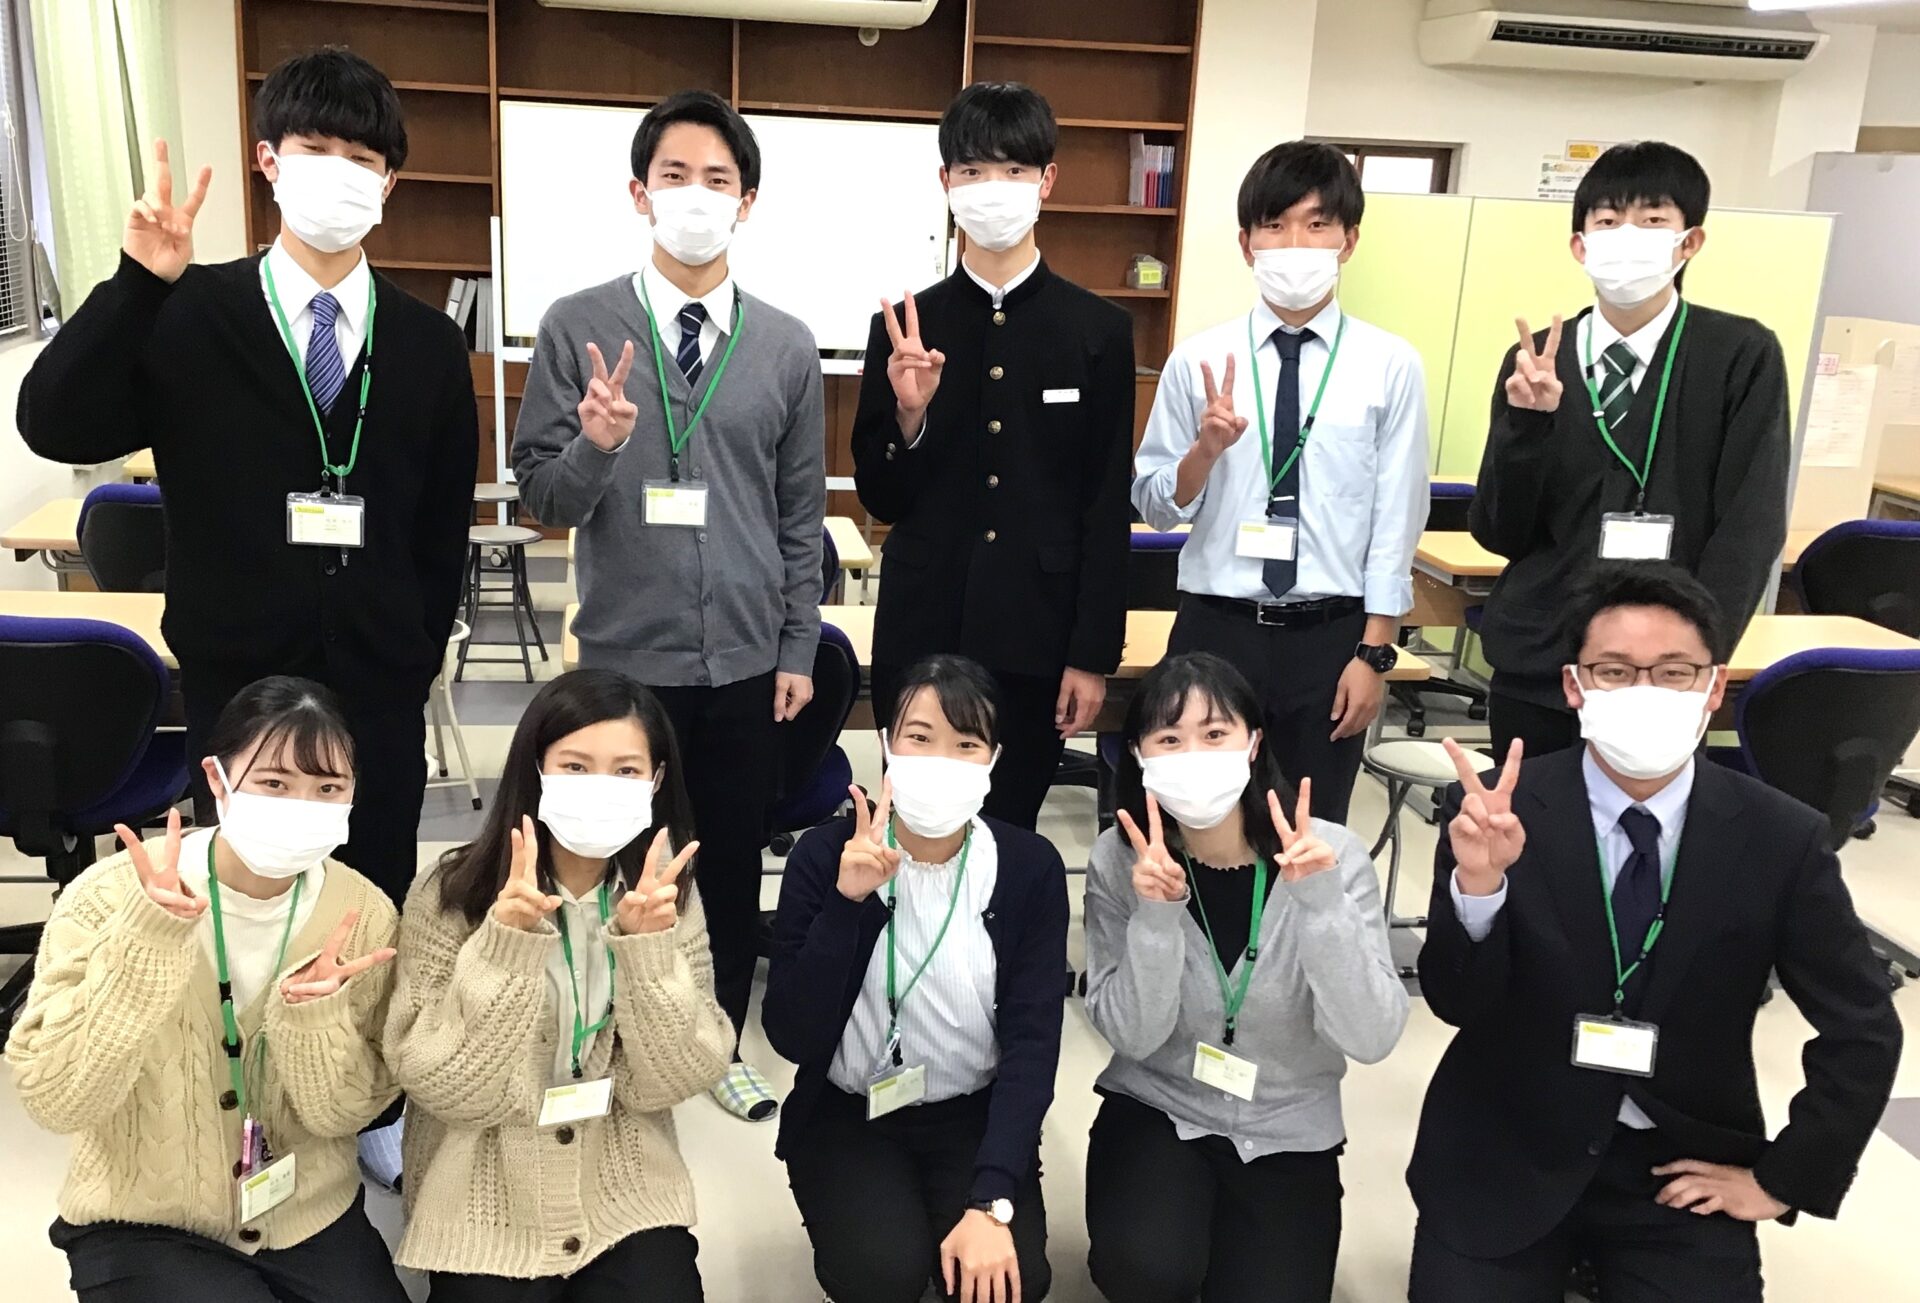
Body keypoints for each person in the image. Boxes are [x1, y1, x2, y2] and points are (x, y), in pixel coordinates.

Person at [17, 48, 479, 906]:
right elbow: (53, 423)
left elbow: (441, 526)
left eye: (362, 158)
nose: (339, 172)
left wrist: (412, 658)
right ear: (269, 161)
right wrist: (136, 285)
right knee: (238, 911)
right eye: (315, 149)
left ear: (388, 182)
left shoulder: (430, 345)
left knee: (369, 908)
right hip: (237, 687)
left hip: (378, 696)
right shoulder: (188, 312)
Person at [1407, 563, 1902, 1302]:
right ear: (1574, 686)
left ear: (1714, 687)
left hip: (1680, 1164)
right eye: (1614, 671)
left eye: (1673, 672)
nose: (1644, 691)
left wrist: (1783, 1178)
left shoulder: (1779, 837)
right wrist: (1480, 886)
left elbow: (1863, 1028)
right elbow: (1457, 1002)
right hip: (1509, 1147)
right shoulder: (1496, 812)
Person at [513, 90, 823, 1120]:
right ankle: (596, 1030)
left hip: (743, 659)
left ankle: (713, 1036)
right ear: (640, 193)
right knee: (602, 851)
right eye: (676, 175)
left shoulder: (785, 345)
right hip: (622, 661)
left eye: (718, 179)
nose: (697, 195)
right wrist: (595, 445)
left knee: (724, 857)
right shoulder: (578, 326)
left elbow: (799, 512)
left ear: (748, 202)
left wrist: (797, 645)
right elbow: (543, 500)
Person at [6, 677, 405, 1302]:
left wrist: (314, 1021)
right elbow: (58, 1100)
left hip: (303, 1209)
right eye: (274, 783)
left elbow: (347, 1115)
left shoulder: (364, 915)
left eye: (328, 788)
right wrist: (146, 946)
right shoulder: (109, 897)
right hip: (144, 1216)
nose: (302, 805)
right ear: (217, 780)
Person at [383, 669, 733, 1300]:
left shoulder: (665, 893)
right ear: (537, 770)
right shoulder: (451, 891)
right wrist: (503, 949)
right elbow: (438, 1084)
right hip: (482, 1170)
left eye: (626, 771)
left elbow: (677, 1078)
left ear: (655, 781)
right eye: (575, 766)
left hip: (618, 1164)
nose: (601, 785)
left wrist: (649, 955)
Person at [1081, 651, 1407, 1303]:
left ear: (1254, 744)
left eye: (1215, 733)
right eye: (1169, 739)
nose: (1194, 756)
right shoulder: (1122, 857)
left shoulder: (1331, 856)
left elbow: (1372, 1037)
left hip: (1287, 1121)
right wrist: (1155, 918)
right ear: (1138, 757)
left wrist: (1323, 908)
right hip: (1162, 1102)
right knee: (1145, 1269)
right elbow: (1133, 1036)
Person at [854, 80, 1134, 831]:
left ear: (1048, 180)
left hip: (1039, 637)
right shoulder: (905, 325)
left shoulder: (1098, 331)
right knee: (913, 825)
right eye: (973, 170)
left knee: (1009, 832)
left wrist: (1092, 655)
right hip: (922, 624)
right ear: (946, 182)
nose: (993, 188)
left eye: (1014, 169)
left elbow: (1106, 503)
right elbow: (881, 496)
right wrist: (910, 415)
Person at [1132, 142, 1429, 825]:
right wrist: (1204, 452)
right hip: (1217, 626)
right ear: (1247, 244)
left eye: (1317, 224)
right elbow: (1156, 507)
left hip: (1331, 637)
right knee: (1199, 821)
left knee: (1309, 832)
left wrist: (1374, 652)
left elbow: (1397, 518)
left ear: (1349, 240)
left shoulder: (1390, 365)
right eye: (1275, 225)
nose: (1295, 243)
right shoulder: (1198, 359)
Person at [1471, 141, 1790, 761]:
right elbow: (1501, 532)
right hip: (1543, 657)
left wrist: (1695, 663)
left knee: (1646, 819)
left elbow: (1750, 528)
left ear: (1689, 242)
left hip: (1663, 673)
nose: (1628, 236)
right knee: (1532, 814)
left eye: (1652, 220)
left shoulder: (1738, 355)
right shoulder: (1537, 359)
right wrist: (1527, 427)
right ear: (1580, 244)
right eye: (1609, 220)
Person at [765, 655, 1070, 1303]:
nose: (940, 761)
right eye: (920, 738)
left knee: (1012, 1284)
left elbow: (1033, 1044)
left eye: (966, 745)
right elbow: (791, 1034)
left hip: (970, 1111)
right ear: (886, 745)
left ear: (993, 759)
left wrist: (992, 1199)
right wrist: (847, 904)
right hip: (851, 1111)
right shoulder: (824, 855)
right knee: (882, 1274)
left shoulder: (1027, 866)